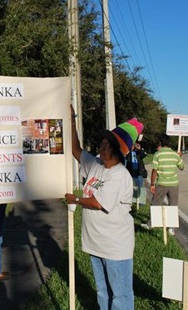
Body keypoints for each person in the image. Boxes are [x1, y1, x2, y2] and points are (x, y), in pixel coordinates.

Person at [65, 107, 143, 310]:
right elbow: (75, 150)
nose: (101, 148)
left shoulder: (119, 175)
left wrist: (75, 199)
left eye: (107, 146)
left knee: (121, 295)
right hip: (95, 242)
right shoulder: (96, 165)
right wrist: (72, 120)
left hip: (115, 246)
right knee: (102, 291)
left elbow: (98, 203)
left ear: (117, 151)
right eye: (101, 144)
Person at [141, 134, 184, 234]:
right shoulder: (175, 154)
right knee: (173, 204)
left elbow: (154, 171)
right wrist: (180, 157)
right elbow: (181, 167)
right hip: (174, 183)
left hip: (161, 184)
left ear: (160, 143)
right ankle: (171, 228)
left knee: (156, 203)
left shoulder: (158, 154)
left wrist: (152, 184)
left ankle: (151, 224)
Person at [125, 142, 147, 207]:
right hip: (130, 172)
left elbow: (144, 155)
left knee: (140, 187)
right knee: (129, 188)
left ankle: (141, 203)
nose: (134, 146)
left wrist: (139, 149)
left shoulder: (139, 151)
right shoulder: (128, 152)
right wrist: (130, 150)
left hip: (138, 172)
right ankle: (129, 201)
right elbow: (126, 158)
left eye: (135, 144)